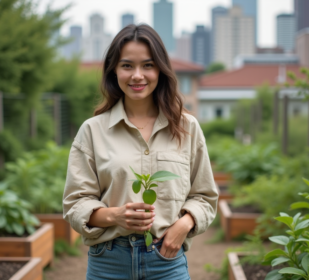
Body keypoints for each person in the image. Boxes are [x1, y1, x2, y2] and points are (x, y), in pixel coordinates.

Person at [63, 24, 218, 280]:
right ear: (114, 71)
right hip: (108, 263)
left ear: (160, 69)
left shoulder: (187, 127)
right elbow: (75, 203)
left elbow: (205, 196)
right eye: (127, 66)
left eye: (147, 65)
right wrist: (116, 216)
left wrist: (183, 225)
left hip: (167, 261)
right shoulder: (92, 131)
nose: (137, 75)